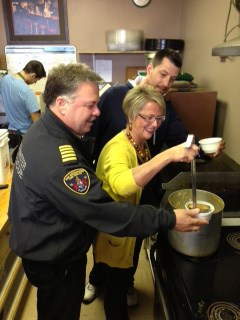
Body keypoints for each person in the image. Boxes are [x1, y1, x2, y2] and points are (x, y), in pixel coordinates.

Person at [8, 63, 208, 320]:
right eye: (90, 105)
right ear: (62, 104)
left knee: (51, 306)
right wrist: (169, 219)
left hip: (42, 241)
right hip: (56, 256)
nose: (98, 112)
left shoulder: (44, 129)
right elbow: (103, 210)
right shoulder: (58, 159)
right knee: (60, 311)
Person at [84, 48, 225, 306]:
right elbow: (92, 136)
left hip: (141, 194)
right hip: (111, 192)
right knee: (108, 247)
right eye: (163, 74)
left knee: (130, 248)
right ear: (149, 69)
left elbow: (181, 141)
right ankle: (97, 280)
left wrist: (204, 150)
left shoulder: (165, 110)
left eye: (172, 79)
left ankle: (124, 282)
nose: (166, 83)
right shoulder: (115, 97)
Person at [93, 85, 202, 320]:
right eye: (148, 117)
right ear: (131, 116)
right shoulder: (117, 149)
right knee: (116, 288)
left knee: (124, 273)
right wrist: (169, 154)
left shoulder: (139, 142)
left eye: (159, 118)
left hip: (131, 226)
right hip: (116, 232)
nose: (154, 124)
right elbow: (122, 185)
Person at [1, 60, 46, 162]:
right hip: (24, 136)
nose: (35, 83)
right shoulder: (27, 92)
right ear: (33, 75)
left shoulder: (5, 80)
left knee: (13, 164)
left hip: (10, 133)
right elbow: (36, 122)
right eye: (36, 80)